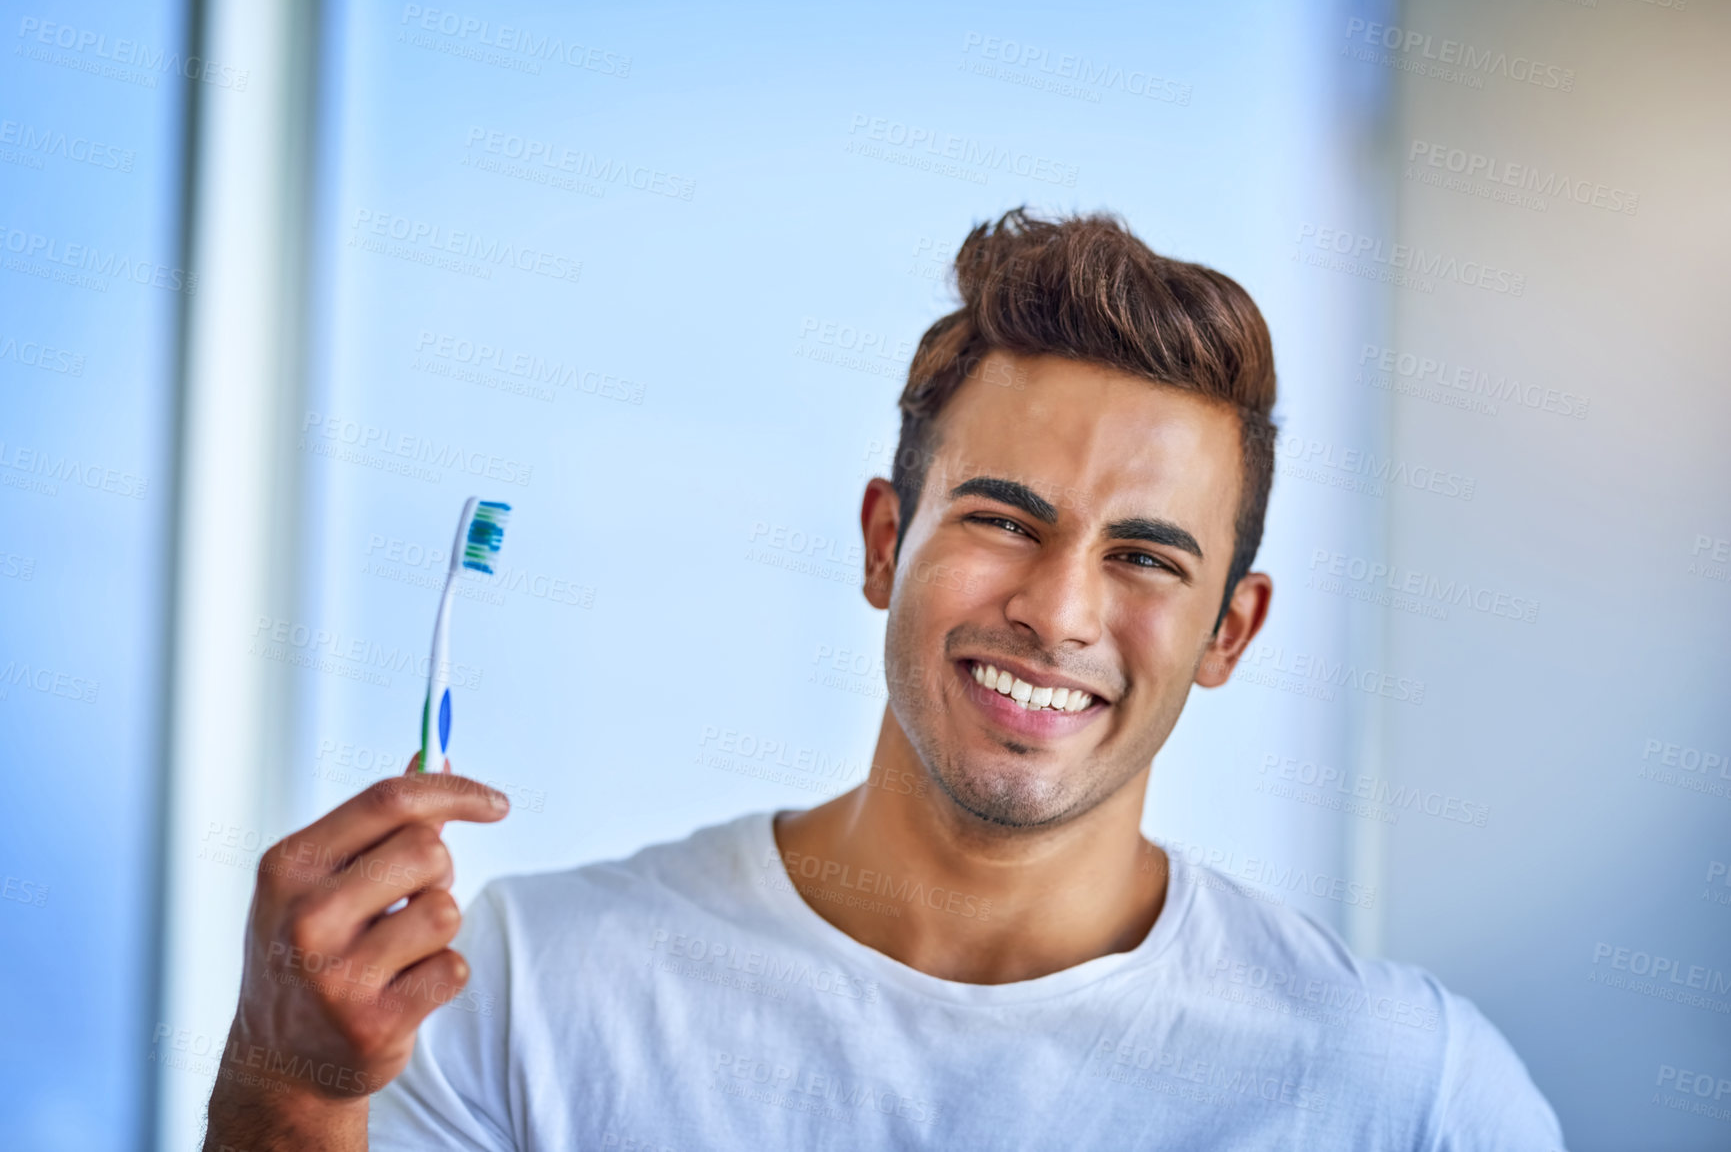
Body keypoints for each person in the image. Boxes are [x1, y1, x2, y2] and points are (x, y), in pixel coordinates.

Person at [203, 209, 1565, 1150]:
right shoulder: (521, 999)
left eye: (1145, 556)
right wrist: (287, 1096)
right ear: (882, 542)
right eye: (1003, 521)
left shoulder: (1404, 1091)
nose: (1057, 611)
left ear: (1230, 632)